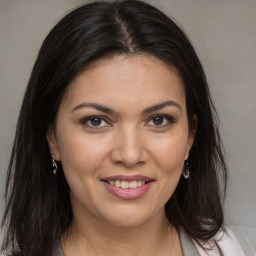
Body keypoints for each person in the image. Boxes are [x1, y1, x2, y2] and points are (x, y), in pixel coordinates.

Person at [1, 1, 245, 255]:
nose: (130, 155)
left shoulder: (226, 249)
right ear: (51, 136)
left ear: (190, 136)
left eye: (158, 120)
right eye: (96, 121)